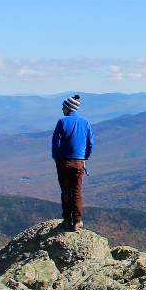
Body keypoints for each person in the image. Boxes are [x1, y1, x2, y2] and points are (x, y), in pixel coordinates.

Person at [51, 94, 93, 231]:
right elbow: (90, 143)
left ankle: (67, 220)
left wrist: (56, 156)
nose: (62, 109)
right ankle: (77, 221)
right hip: (79, 161)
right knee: (76, 191)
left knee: (65, 191)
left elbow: (56, 143)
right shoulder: (85, 122)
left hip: (63, 161)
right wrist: (84, 157)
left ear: (69, 108)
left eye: (63, 107)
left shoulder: (62, 122)